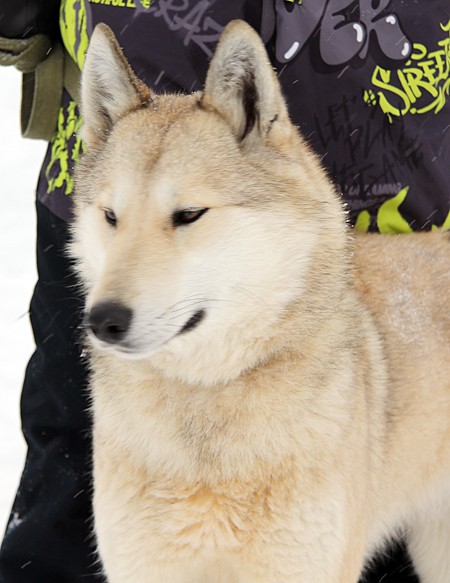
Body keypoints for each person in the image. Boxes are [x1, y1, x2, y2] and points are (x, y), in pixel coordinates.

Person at [0, 1, 448, 581]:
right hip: (151, 52)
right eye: (111, 219)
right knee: (56, 525)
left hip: (383, 136)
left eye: (186, 216)